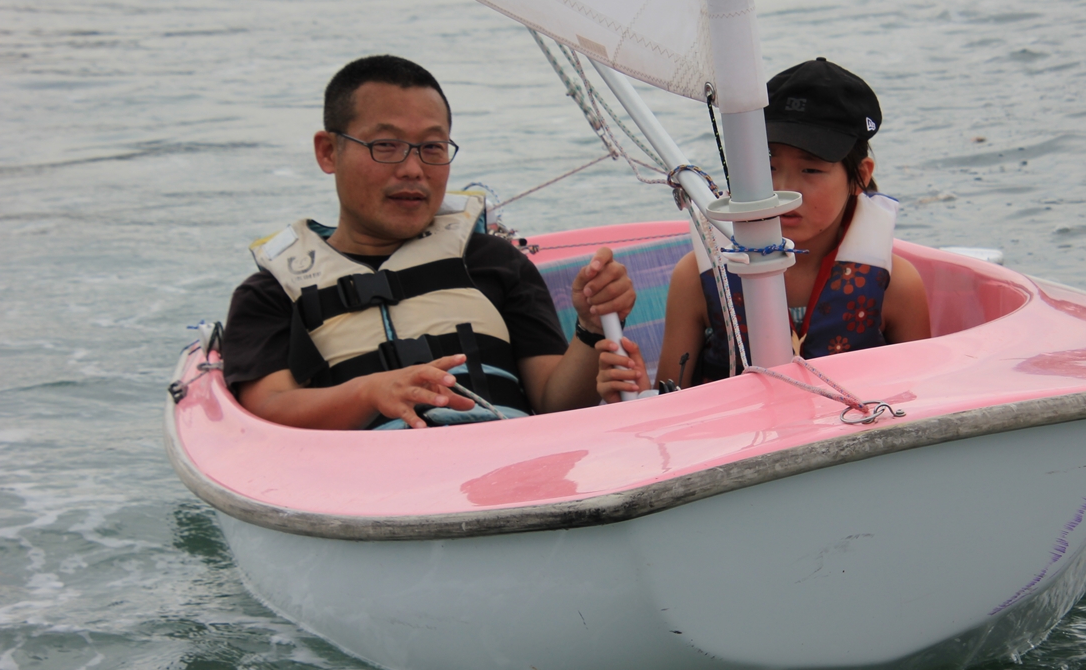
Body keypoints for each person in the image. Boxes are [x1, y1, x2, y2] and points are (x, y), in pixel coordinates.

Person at [222, 54, 635, 429]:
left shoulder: (493, 261)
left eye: (432, 148)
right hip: (375, 477)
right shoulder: (272, 293)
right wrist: (368, 393)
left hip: (509, 460)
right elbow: (266, 409)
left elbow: (554, 404)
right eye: (386, 146)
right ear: (329, 151)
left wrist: (590, 326)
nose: (413, 169)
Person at [597, 57, 930, 401]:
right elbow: (671, 398)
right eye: (767, 166)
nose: (782, 189)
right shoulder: (697, 279)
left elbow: (922, 400)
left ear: (860, 176)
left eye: (811, 170)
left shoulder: (898, 286)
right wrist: (637, 392)